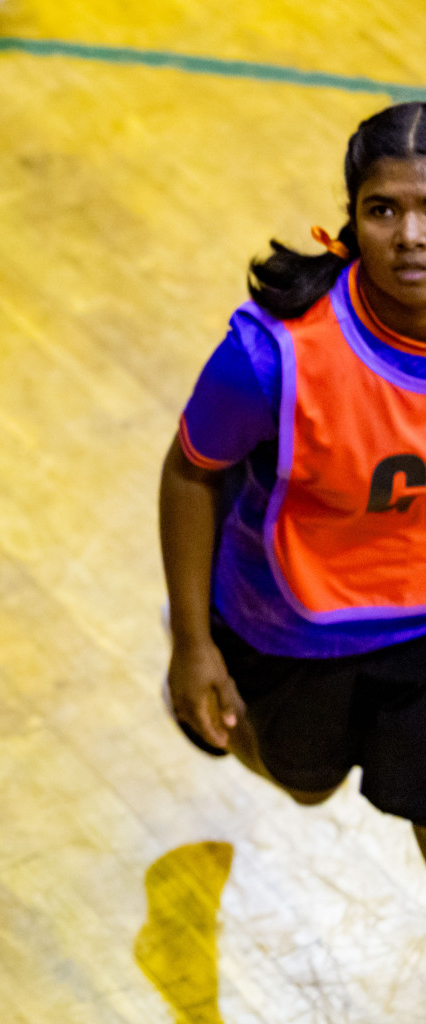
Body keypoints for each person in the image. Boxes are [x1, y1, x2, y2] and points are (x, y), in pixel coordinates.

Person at [161, 102, 426, 865]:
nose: (409, 237)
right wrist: (190, 643)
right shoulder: (273, 354)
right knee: (307, 783)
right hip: (296, 625)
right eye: (384, 210)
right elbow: (189, 471)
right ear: (350, 220)